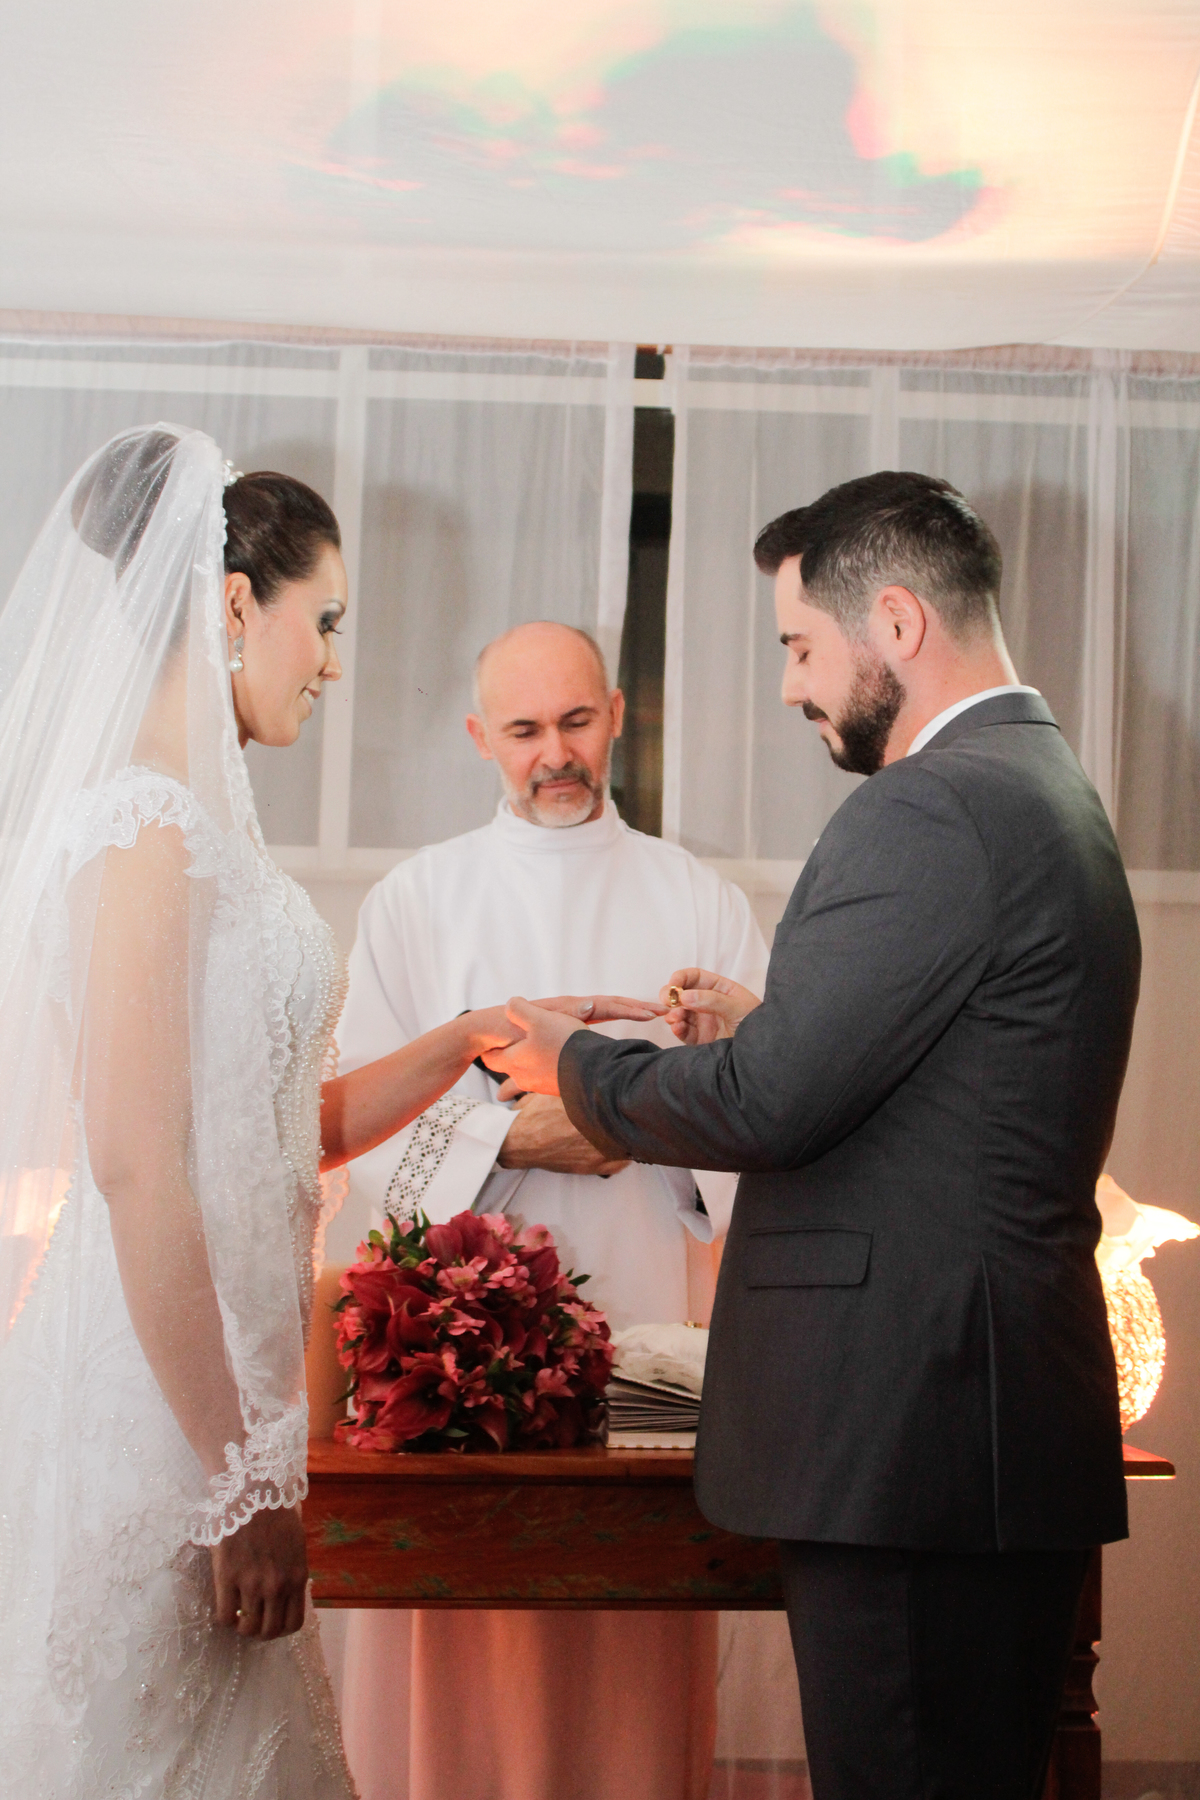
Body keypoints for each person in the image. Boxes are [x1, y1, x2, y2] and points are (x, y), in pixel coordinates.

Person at [0, 427, 638, 1799]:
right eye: (326, 623)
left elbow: (278, 1125)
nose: (334, 665)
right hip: (161, 1412)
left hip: (224, 1395)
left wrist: (472, 1035)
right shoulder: (145, 829)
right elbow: (137, 1166)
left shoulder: (202, 826)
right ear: (237, 603)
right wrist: (238, 1484)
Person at [485, 472, 1143, 1800]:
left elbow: (766, 1107)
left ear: (894, 622)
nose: (791, 686)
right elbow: (934, 1080)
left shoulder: (930, 805)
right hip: (977, 1420)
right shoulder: (1042, 784)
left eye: (799, 646)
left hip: (913, 1429)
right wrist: (769, 1027)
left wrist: (572, 1059)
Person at [335, 619, 770, 1800]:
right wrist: (513, 1137)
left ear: (617, 716)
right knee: (464, 1654)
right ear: (480, 736)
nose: (555, 755)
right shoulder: (417, 900)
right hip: (452, 1345)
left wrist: (643, 1125)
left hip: (638, 1321)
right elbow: (356, 1129)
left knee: (621, 1656)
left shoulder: (698, 899)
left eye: (577, 722)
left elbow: (768, 1107)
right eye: (524, 730)